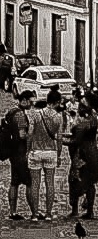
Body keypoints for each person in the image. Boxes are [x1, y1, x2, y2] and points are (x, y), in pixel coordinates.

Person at [27, 87, 64, 220]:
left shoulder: (36, 114)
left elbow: (30, 134)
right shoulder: (58, 117)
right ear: (57, 102)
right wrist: (59, 154)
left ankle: (35, 214)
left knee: (35, 184)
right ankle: (48, 213)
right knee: (50, 183)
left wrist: (28, 149)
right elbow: (59, 138)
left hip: (36, 150)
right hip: (51, 151)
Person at [3, 90, 36, 223]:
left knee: (14, 182)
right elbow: (22, 135)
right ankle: (34, 212)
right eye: (30, 101)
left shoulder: (11, 112)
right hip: (20, 152)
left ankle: (13, 211)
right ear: (24, 100)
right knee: (28, 182)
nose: (31, 104)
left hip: (12, 152)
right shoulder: (20, 115)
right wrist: (31, 133)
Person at [66, 100, 98, 219]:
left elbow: (76, 141)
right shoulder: (94, 120)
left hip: (82, 155)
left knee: (74, 180)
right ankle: (90, 210)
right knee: (90, 182)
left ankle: (75, 210)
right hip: (93, 152)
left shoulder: (82, 124)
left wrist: (61, 141)